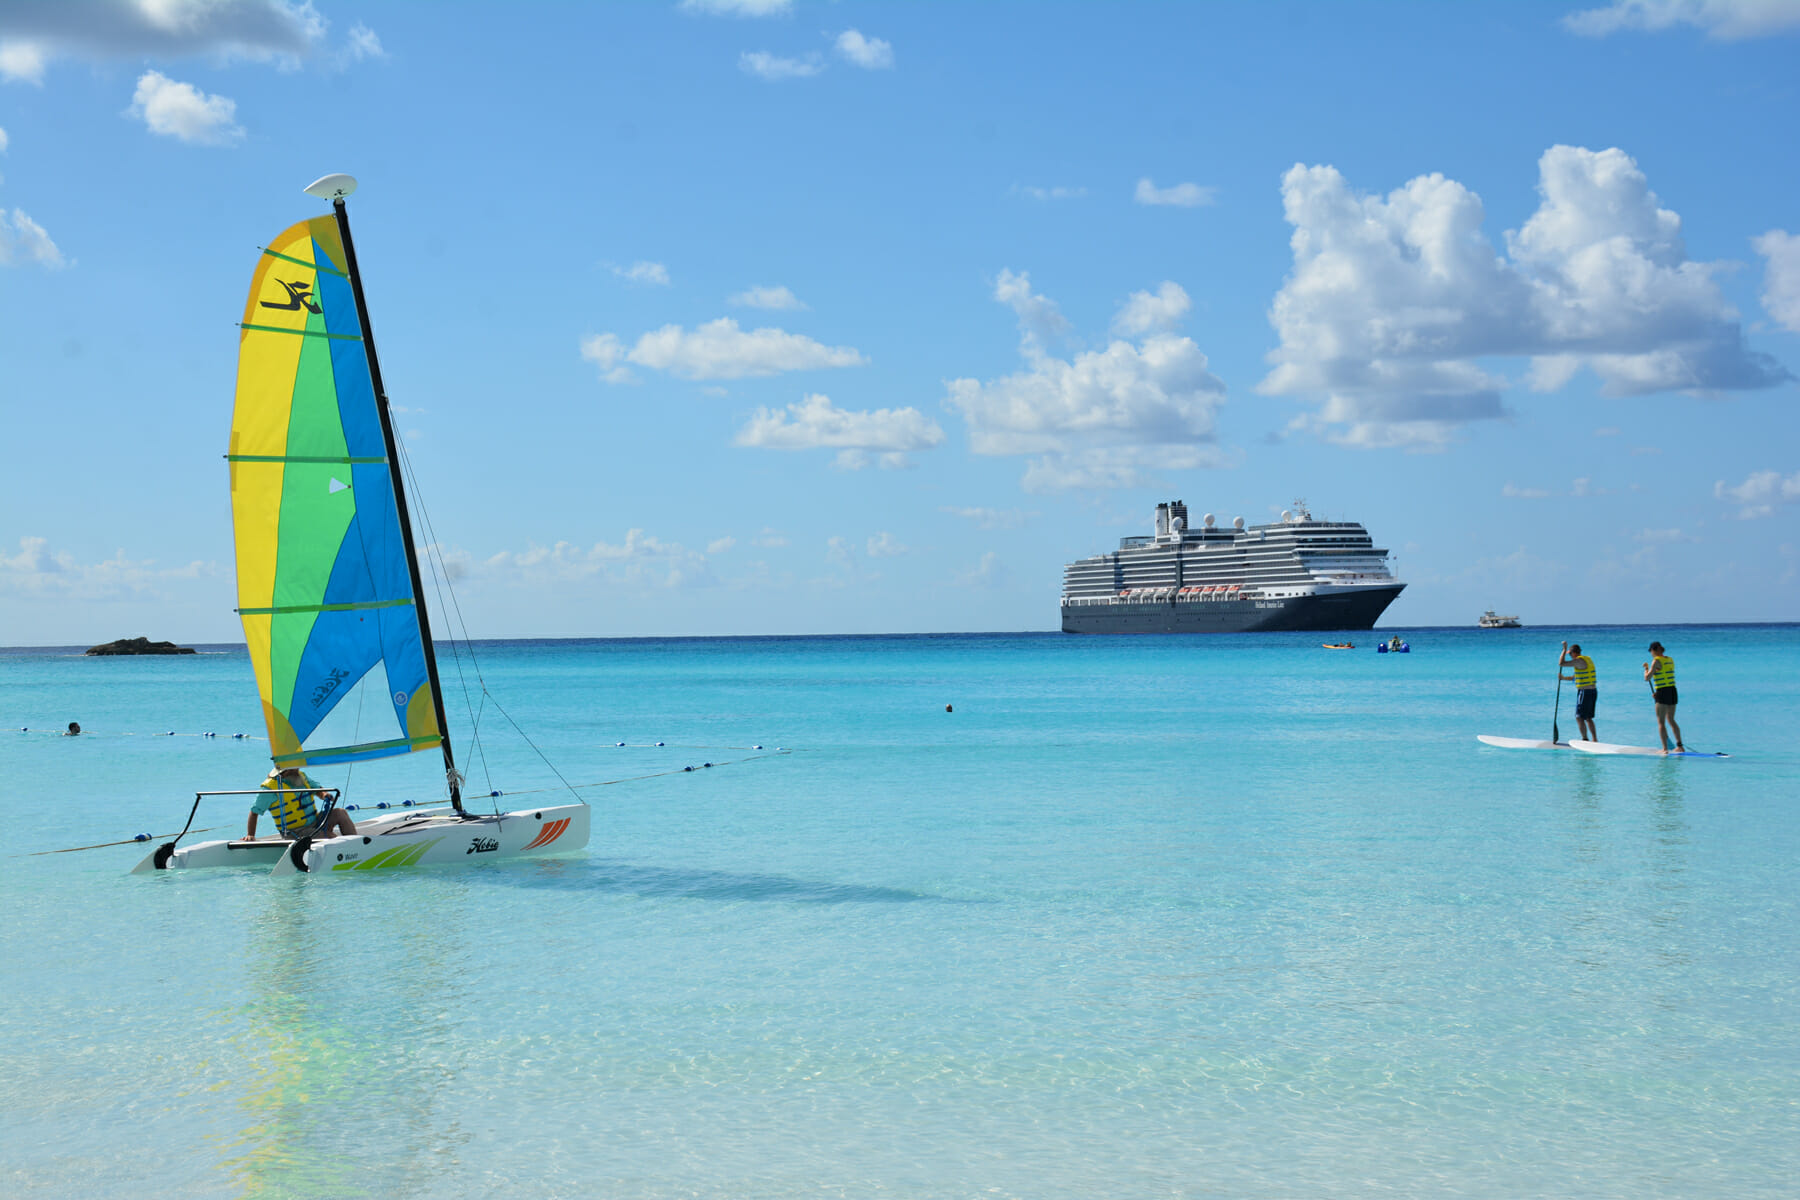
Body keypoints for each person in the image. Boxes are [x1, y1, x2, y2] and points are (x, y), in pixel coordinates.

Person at [247, 766, 356, 840]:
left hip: (315, 822)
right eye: (294, 768)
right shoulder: (270, 789)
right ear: (285, 771)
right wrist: (250, 835)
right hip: (295, 832)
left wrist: (324, 795)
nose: (297, 770)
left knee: (340, 813)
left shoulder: (301, 776)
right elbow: (254, 812)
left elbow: (318, 789)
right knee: (328, 836)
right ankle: (346, 850)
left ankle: (356, 843)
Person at [1643, 641, 1684, 754]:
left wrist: (1646, 669)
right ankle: (1680, 746)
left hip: (1662, 692)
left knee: (1661, 722)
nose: (1651, 653)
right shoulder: (1670, 659)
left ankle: (1665, 749)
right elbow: (1662, 671)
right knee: (1671, 719)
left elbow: (1647, 678)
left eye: (1651, 651)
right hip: (1672, 691)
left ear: (1654, 650)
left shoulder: (1656, 661)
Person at [1558, 640, 1598, 743]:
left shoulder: (1578, 661)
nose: (1570, 656)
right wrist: (1563, 678)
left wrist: (1564, 650)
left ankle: (1585, 739)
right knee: (1588, 718)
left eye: (1570, 654)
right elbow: (1576, 677)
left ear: (1574, 653)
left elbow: (1561, 663)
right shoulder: (1587, 659)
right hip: (1593, 691)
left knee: (1579, 717)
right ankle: (1594, 739)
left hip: (1585, 692)